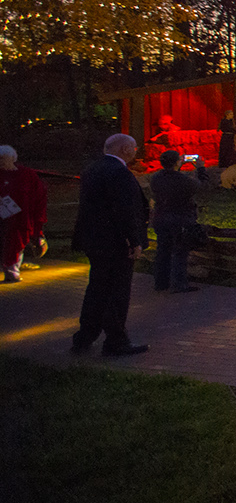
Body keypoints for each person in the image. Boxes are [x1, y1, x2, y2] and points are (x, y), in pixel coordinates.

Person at [71, 134, 151, 356]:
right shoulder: (119, 173)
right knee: (116, 292)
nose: (136, 151)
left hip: (94, 239)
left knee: (96, 288)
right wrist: (134, 241)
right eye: (134, 147)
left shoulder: (92, 169)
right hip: (115, 243)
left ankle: (85, 336)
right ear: (126, 149)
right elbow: (125, 210)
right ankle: (116, 341)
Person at [150, 150, 201, 294]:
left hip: (161, 217)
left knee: (163, 251)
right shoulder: (182, 180)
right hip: (180, 219)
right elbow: (200, 185)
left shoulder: (156, 178)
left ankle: (161, 282)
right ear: (177, 162)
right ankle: (179, 283)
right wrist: (200, 169)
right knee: (179, 252)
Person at [0, 144, 47, 283]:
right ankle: (10, 270)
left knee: (16, 243)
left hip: (20, 217)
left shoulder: (26, 174)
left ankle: (12, 271)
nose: (1, 162)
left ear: (12, 159)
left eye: (4, 159)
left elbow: (39, 195)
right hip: (3, 218)